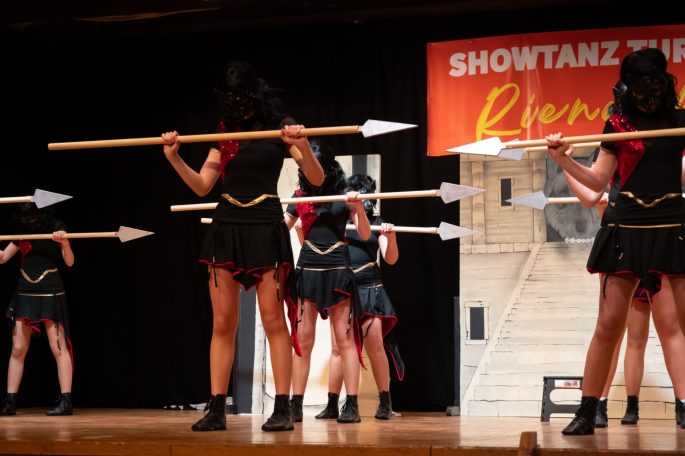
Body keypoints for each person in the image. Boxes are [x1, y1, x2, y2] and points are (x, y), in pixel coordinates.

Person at [161, 61, 324, 432]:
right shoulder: (224, 131)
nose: (237, 102)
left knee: (273, 318)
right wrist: (174, 158)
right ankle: (216, 407)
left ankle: (282, 408)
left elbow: (316, 179)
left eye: (242, 95)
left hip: (266, 224)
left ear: (254, 92)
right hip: (227, 225)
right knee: (222, 321)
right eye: (231, 96)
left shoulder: (280, 126)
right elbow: (202, 186)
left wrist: (302, 144)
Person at [546, 48, 685, 435]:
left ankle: (684, 405)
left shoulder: (680, 121)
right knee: (608, 326)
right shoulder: (617, 125)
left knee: (677, 325)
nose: (646, 91)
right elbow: (596, 181)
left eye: (651, 82)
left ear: (663, 81)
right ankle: (587, 411)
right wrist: (562, 159)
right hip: (626, 226)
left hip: (670, 224)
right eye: (638, 84)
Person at [564, 153, 685, 429]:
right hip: (623, 236)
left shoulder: (670, 140)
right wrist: (563, 161)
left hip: (662, 231)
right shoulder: (617, 139)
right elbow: (593, 193)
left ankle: (681, 404)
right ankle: (594, 407)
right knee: (612, 331)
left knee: (669, 327)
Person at [284, 142, 371, 424]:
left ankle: (352, 405)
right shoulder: (299, 195)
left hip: (337, 268)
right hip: (308, 267)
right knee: (303, 339)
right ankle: (295, 405)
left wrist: (358, 207)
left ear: (329, 167)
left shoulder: (345, 193)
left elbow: (365, 233)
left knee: (344, 339)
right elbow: (281, 227)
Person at [314, 173, 404, 421]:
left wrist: (391, 237)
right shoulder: (339, 222)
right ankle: (332, 403)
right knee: (337, 348)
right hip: (342, 287)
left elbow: (391, 259)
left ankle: (385, 401)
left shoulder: (377, 222)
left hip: (369, 286)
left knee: (374, 343)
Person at [0, 203, 75, 416]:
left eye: (32, 217)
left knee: (58, 347)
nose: (28, 221)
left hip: (51, 291)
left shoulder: (56, 226)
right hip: (25, 291)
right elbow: (3, 258)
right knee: (18, 348)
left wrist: (65, 242)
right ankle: (10, 401)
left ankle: (66, 401)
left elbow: (69, 262)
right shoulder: (22, 232)